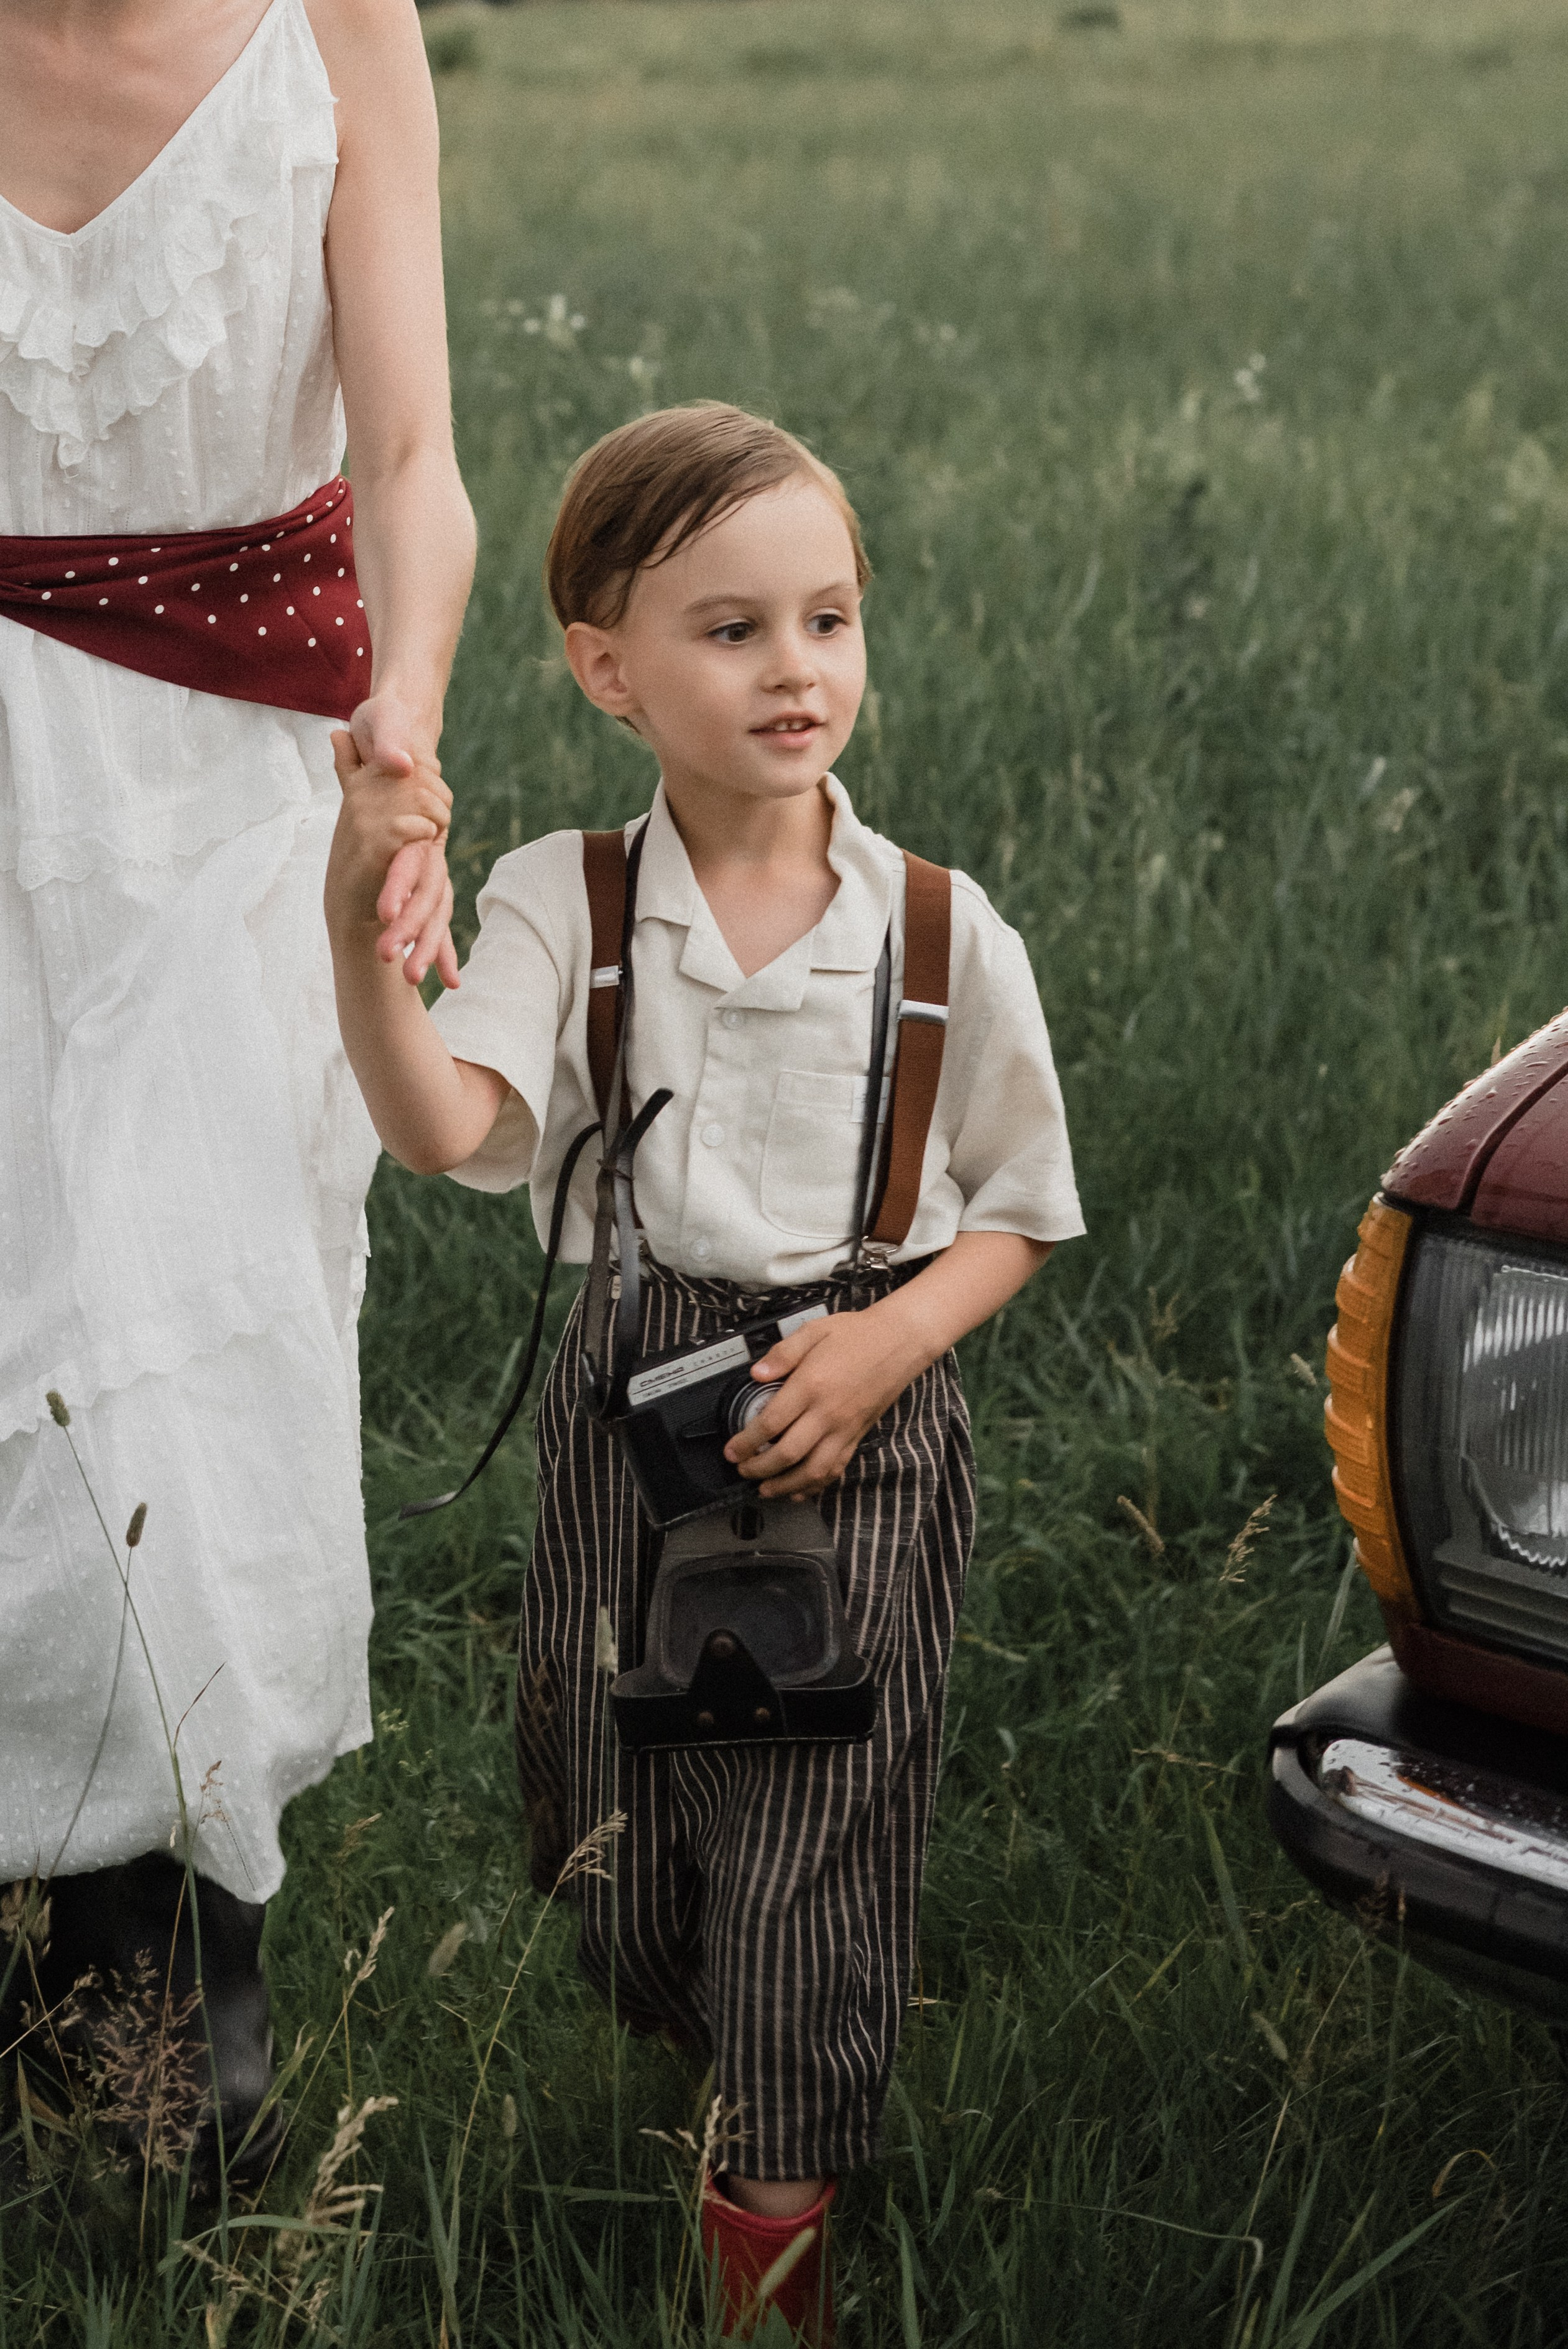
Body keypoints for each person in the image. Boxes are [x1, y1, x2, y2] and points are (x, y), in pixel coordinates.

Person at [325, 402, 1083, 2339]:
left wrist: (893, 1337)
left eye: (828, 618)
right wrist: (359, 939)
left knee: (809, 1855)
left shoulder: (937, 930)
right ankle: (716, 2024)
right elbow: (440, 1123)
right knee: (613, 1835)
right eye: (732, 630)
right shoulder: (563, 900)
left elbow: (1020, 1206)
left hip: (860, 1410)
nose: (795, 668)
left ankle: (771, 2234)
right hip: (633, 1412)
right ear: (608, 671)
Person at [0, 0, 471, 2174]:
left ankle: (168, 2010)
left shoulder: (337, 31)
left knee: (184, 1366)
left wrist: (407, 733)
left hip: (221, 802)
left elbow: (411, 459)